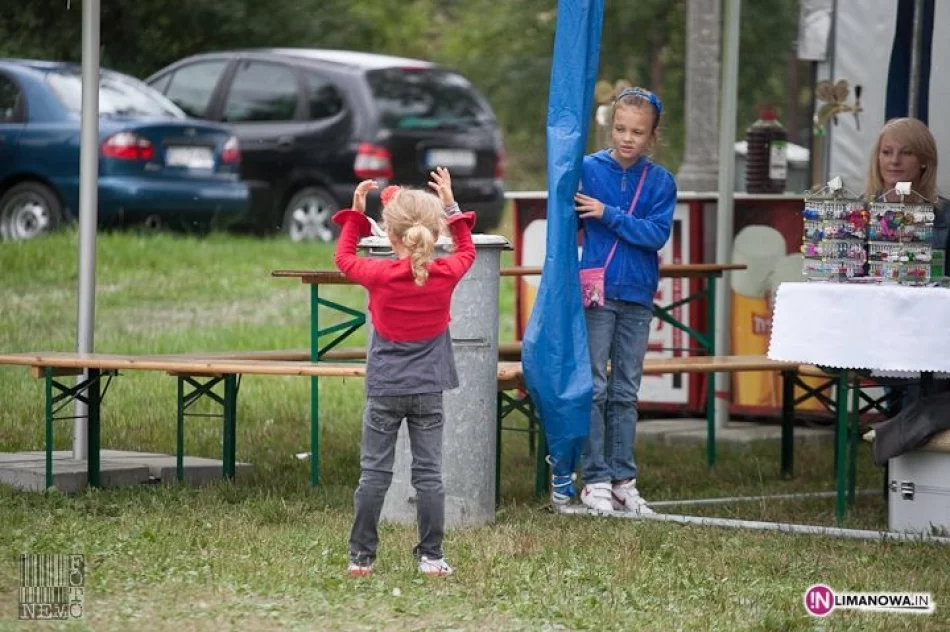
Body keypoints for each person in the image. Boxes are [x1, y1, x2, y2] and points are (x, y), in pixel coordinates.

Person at [333, 167, 476, 577]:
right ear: (436, 233)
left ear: (389, 233)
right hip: (429, 389)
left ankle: (362, 557)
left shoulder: (378, 275)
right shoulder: (446, 273)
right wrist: (450, 201)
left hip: (384, 389)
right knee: (429, 475)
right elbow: (466, 249)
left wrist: (356, 212)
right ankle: (432, 556)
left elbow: (344, 258)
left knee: (374, 474)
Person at [569, 87, 677, 514]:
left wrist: (608, 214)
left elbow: (655, 234)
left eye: (637, 131)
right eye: (620, 129)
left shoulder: (662, 182)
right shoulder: (587, 169)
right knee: (595, 386)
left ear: (652, 136)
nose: (627, 138)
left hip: (637, 294)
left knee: (625, 390)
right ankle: (593, 478)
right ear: (609, 128)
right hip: (597, 291)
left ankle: (622, 480)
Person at [864, 116, 948, 266]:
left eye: (907, 153)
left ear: (924, 161)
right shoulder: (857, 212)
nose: (894, 161)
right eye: (887, 152)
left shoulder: (945, 216)